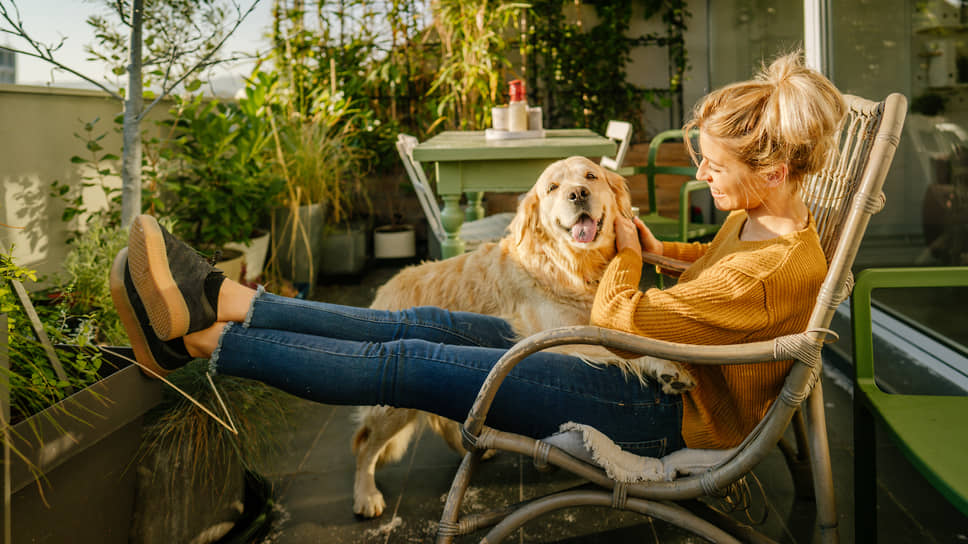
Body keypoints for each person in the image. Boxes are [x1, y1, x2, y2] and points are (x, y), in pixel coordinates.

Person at [110, 51, 844, 457]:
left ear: (773, 169)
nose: (702, 175)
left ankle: (204, 340)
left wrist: (624, 251)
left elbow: (628, 322)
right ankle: (226, 296)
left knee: (411, 367)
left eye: (714, 166)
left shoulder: (776, 264)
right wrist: (661, 248)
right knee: (413, 325)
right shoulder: (769, 220)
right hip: (615, 362)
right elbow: (714, 267)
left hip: (649, 407)